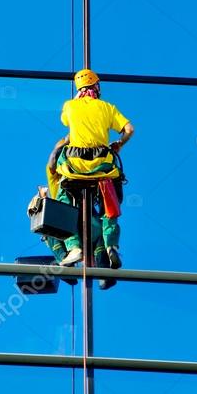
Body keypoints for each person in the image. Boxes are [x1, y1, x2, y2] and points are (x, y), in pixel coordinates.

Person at [46, 69, 134, 282]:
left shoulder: (70, 106)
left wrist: (75, 101)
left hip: (74, 168)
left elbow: (65, 122)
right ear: (97, 88)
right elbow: (129, 129)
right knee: (109, 207)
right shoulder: (107, 107)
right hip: (102, 168)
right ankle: (111, 244)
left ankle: (73, 247)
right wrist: (119, 144)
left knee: (64, 203)